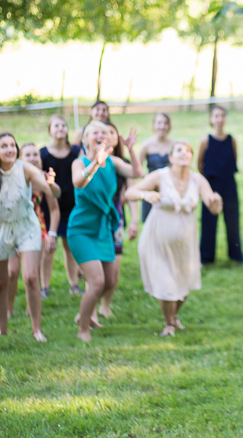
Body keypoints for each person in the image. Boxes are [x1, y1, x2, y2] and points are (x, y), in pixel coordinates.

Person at [125, 142, 223, 337]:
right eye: (179, 150)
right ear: (170, 157)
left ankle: (174, 315)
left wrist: (216, 203)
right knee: (165, 282)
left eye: (188, 151)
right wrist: (146, 195)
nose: (184, 153)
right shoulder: (160, 176)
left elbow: (212, 205)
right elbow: (130, 193)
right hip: (157, 239)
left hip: (186, 241)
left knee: (185, 282)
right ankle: (169, 323)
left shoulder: (197, 180)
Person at [0, 132, 58, 341]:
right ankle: (2, 330)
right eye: (4, 146)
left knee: (30, 276)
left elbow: (53, 193)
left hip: (26, 225)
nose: (10, 149)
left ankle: (37, 329)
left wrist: (52, 184)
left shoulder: (25, 168)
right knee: (0, 283)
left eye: (13, 145)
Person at [68, 120, 143, 341]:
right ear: (85, 139)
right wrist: (95, 163)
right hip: (81, 230)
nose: (101, 135)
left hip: (103, 228)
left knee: (109, 281)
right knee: (97, 282)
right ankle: (83, 328)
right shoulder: (79, 162)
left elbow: (137, 172)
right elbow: (78, 182)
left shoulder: (113, 161)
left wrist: (130, 148)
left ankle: (84, 314)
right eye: (95, 132)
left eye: (104, 132)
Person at [98, 121, 141, 319]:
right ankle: (92, 307)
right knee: (98, 269)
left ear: (117, 138)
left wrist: (134, 221)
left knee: (114, 272)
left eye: (112, 133)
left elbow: (134, 182)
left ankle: (105, 305)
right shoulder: (91, 161)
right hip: (96, 220)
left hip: (117, 220)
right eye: (103, 133)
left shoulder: (121, 163)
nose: (108, 136)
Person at [14, 143, 61, 318]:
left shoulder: (43, 178)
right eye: (28, 155)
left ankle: (31, 305)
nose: (33, 158)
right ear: (20, 159)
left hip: (37, 227)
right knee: (12, 271)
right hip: (15, 225)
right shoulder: (14, 176)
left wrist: (52, 234)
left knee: (33, 269)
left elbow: (55, 208)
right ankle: (7, 307)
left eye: (36, 154)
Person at [39, 115, 83, 296]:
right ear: (50, 130)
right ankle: (45, 287)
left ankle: (74, 285)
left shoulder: (76, 151)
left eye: (64, 125)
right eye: (56, 125)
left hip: (72, 204)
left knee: (70, 247)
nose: (60, 128)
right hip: (49, 205)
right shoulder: (42, 153)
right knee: (48, 248)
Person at [197, 105, 243, 264]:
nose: (219, 119)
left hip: (229, 183)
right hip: (211, 184)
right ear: (211, 119)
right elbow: (199, 163)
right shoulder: (205, 140)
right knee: (208, 221)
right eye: (216, 116)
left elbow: (234, 159)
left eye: (223, 116)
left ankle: (236, 255)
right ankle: (206, 256)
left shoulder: (232, 140)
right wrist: (206, 183)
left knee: (232, 219)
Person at [138, 112, 174, 222]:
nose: (162, 126)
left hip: (168, 189)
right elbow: (136, 168)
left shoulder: (174, 145)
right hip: (151, 189)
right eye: (159, 123)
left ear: (169, 126)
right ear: (154, 125)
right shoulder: (146, 145)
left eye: (165, 123)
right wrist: (147, 179)